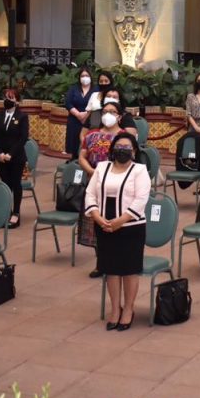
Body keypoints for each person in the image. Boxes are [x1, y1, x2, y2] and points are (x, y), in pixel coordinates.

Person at [84, 132, 151, 331]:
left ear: (134, 151)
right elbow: (90, 193)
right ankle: (115, 309)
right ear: (112, 149)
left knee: (129, 270)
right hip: (104, 225)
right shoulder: (102, 167)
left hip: (130, 227)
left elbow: (141, 199)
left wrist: (120, 221)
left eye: (127, 148)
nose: (122, 150)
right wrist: (97, 217)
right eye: (119, 147)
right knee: (111, 269)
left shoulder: (139, 171)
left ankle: (128, 309)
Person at [78, 99, 128, 278]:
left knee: (113, 223)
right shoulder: (92, 135)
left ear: (119, 116)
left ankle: (116, 261)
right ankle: (101, 263)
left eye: (112, 112)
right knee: (96, 225)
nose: (108, 115)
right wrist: (92, 172)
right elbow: (82, 157)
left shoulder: (123, 137)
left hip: (115, 186)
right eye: (105, 111)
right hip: (94, 184)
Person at [0, 87, 29, 229]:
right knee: (5, 184)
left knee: (15, 184)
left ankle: (16, 213)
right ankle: (7, 211)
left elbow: (23, 138)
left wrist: (11, 154)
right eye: (6, 97)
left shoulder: (22, 116)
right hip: (0, 158)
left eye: (11, 98)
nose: (7, 100)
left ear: (17, 101)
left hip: (16, 157)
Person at [179, 73, 200, 179]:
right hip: (193, 126)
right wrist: (196, 128)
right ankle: (191, 174)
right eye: (199, 80)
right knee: (192, 153)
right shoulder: (190, 96)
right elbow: (188, 114)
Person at [64, 67, 96, 157]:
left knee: (87, 143)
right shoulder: (73, 88)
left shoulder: (96, 89)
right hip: (74, 119)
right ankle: (74, 159)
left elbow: (97, 104)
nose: (84, 77)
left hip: (89, 120)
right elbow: (68, 103)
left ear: (90, 77)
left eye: (87, 75)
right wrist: (78, 114)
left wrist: (86, 115)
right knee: (73, 143)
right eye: (82, 76)